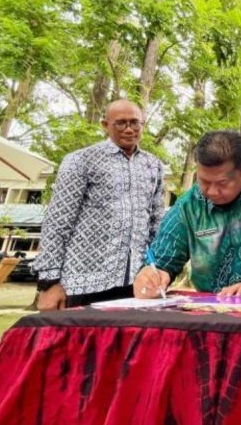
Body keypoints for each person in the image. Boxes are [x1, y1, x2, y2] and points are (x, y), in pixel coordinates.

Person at [134, 130, 241, 297]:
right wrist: (152, 275)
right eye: (204, 181)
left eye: (222, 183)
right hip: (215, 312)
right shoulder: (189, 206)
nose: (212, 191)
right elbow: (162, 258)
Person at [33, 99, 165, 310]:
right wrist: (49, 283)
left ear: (143, 125)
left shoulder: (153, 165)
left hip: (136, 284)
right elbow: (57, 222)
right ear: (105, 125)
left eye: (135, 123)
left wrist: (158, 269)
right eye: (121, 123)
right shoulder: (80, 160)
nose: (129, 129)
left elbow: (157, 223)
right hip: (83, 284)